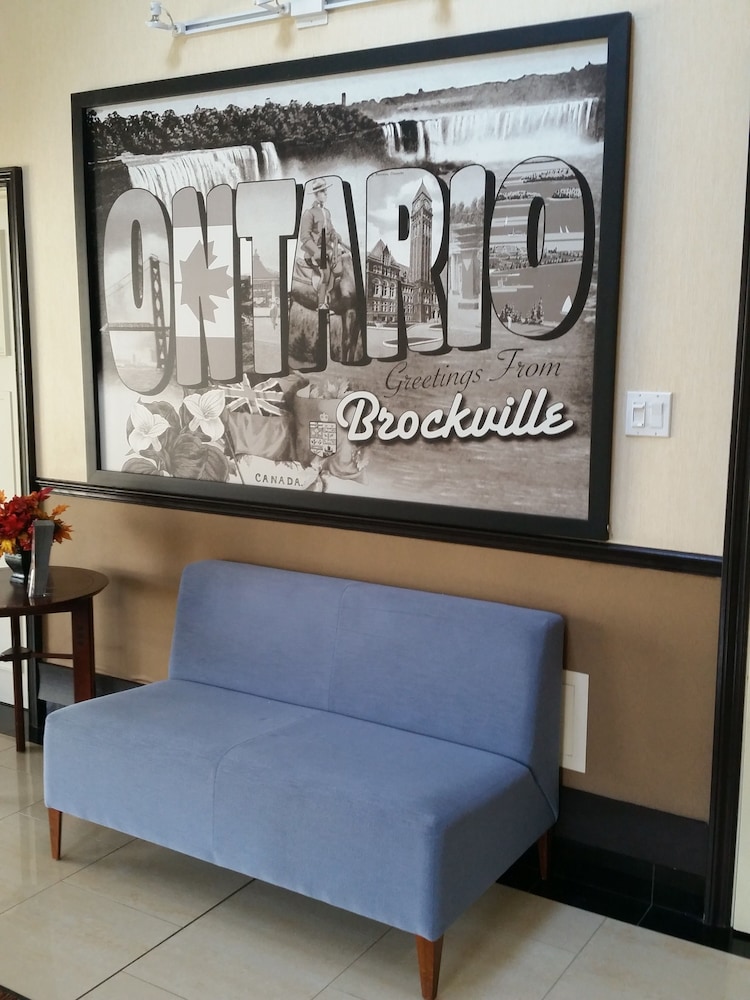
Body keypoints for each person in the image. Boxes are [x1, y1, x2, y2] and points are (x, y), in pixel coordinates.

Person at [298, 178, 350, 310]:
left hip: (328, 249)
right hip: (314, 251)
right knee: (325, 272)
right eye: (323, 191)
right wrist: (316, 252)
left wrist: (335, 235)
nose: (326, 193)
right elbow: (304, 237)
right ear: (316, 194)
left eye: (326, 191)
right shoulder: (308, 213)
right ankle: (321, 304)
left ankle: (333, 298)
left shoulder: (326, 212)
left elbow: (330, 230)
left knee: (339, 268)